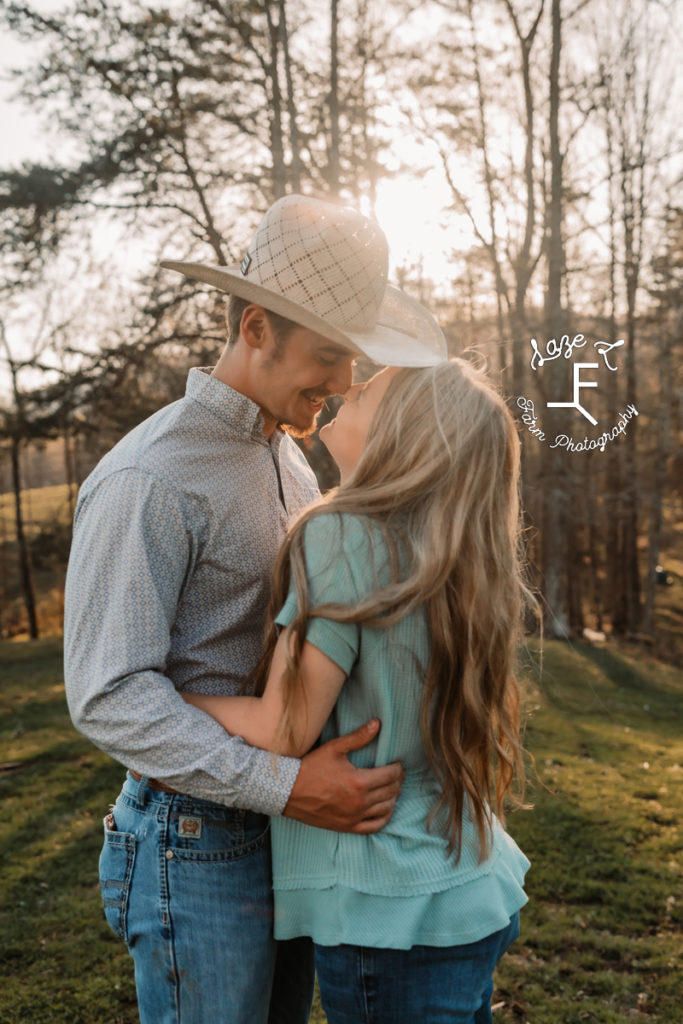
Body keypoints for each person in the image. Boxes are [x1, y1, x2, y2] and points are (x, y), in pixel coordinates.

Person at [63, 193, 448, 1024]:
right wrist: (284, 784)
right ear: (255, 329)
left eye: (354, 358)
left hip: (280, 829)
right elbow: (108, 697)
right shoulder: (150, 479)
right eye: (326, 355)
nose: (345, 384)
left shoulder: (292, 462)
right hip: (194, 839)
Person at [181, 357, 534, 1024]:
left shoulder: (338, 534)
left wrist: (174, 698)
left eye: (368, 390)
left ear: (401, 433)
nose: (346, 385)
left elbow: (285, 727)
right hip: (466, 881)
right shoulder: (454, 556)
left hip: (387, 910)